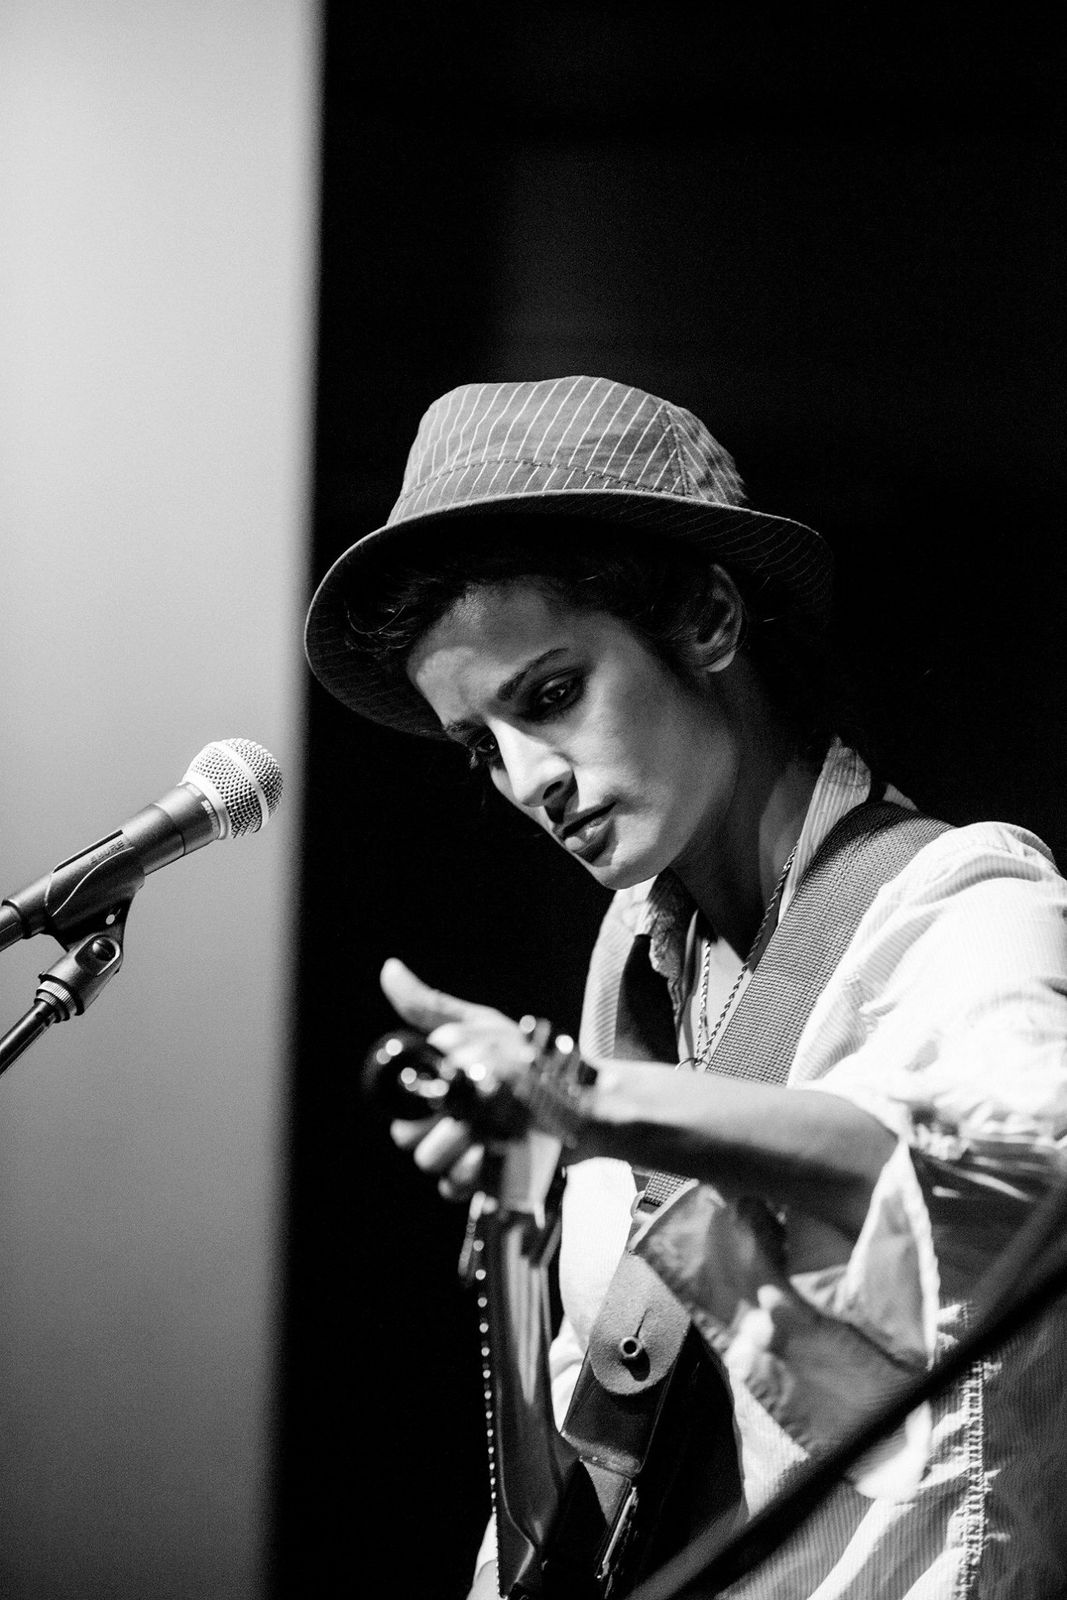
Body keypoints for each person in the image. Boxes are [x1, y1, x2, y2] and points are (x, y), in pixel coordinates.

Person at [304, 376, 1067, 1598]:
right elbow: (603, 1407)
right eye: (480, 745)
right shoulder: (636, 963)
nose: (526, 781)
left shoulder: (964, 902)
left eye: (550, 696)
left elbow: (1025, 1179)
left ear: (707, 620)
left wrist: (586, 1101)